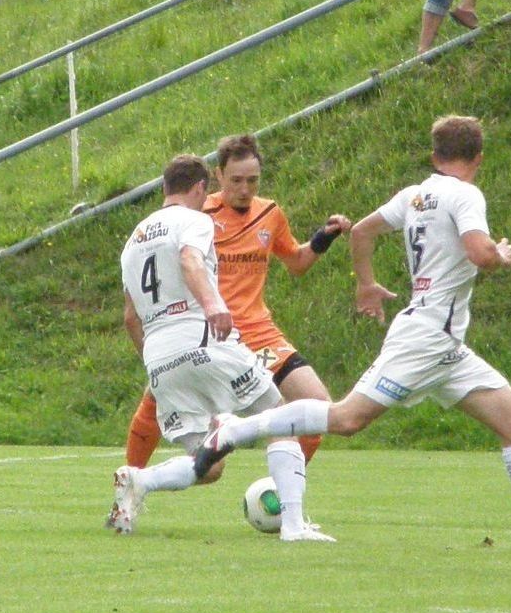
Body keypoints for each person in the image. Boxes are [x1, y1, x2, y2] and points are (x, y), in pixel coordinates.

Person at [194, 116, 511, 560]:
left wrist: (366, 284)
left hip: (446, 344)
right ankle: (233, 430)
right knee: (346, 419)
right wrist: (501, 255)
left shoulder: (414, 194)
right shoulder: (465, 194)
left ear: (435, 157)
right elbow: (479, 252)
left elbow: (362, 231)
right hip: (424, 338)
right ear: (479, 159)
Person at [107, 154, 334, 541]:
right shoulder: (196, 220)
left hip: (159, 357)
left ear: (164, 187)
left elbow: (131, 317)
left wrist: (152, 363)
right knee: (281, 416)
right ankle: (294, 526)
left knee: (208, 466)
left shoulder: (133, 240)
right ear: (199, 188)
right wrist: (213, 306)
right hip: (202, 337)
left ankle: (140, 479)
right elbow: (190, 259)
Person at [122, 134, 351, 470]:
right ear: (218, 176)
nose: (245, 189)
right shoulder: (197, 214)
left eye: (253, 180)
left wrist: (323, 237)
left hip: (258, 333)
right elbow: (182, 262)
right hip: (207, 334)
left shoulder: (270, 213)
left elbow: (297, 263)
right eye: (237, 180)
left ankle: (277, 495)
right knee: (154, 403)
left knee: (316, 411)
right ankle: (131, 479)